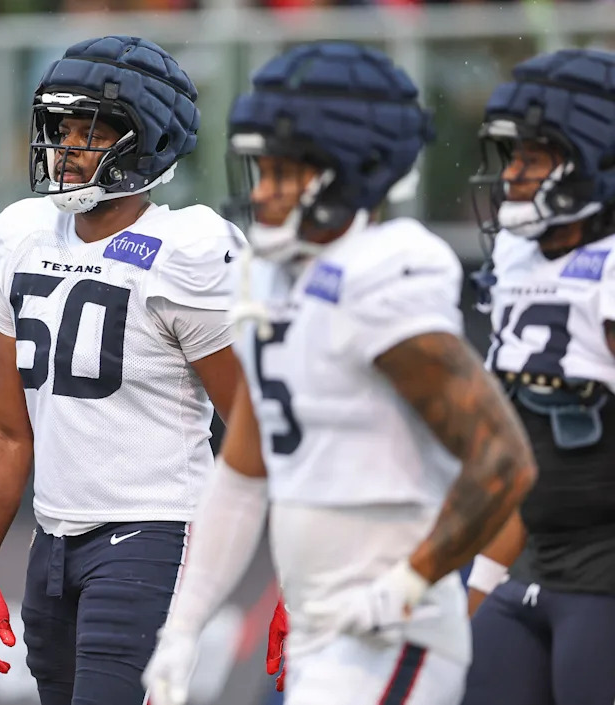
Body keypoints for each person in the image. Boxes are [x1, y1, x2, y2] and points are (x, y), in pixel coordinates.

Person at [142, 41, 537, 705]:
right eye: (257, 169)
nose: (260, 191)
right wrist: (182, 626)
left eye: (280, 172)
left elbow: (502, 462)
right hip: (317, 626)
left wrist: (407, 584)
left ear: (347, 170)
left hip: (393, 632)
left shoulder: (388, 269)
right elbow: (243, 472)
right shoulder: (266, 274)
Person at [0, 35, 245, 705]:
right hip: (51, 543)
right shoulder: (22, 235)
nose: (68, 145)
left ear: (147, 141)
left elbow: (256, 425)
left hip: (154, 535)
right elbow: (5, 427)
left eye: (92, 128)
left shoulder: (183, 249)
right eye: (62, 126)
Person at [461, 47, 615, 705]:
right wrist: (471, 587)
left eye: (532, 158)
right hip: (526, 565)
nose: (512, 176)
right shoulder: (521, 264)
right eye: (512, 157)